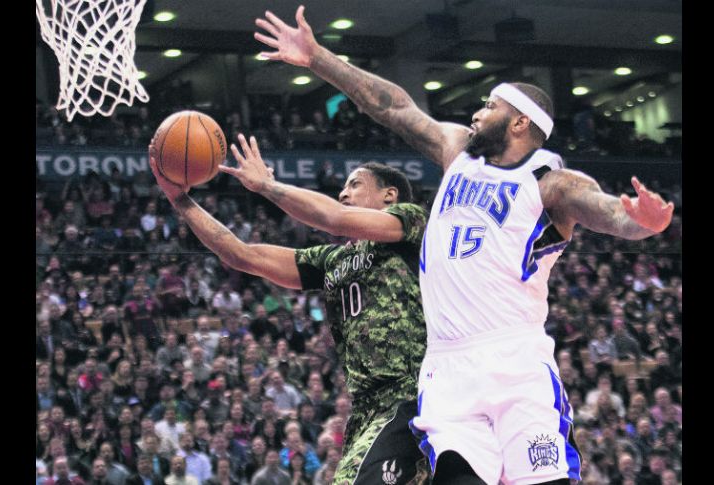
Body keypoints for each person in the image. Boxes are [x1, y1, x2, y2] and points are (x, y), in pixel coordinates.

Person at [253, 6, 674, 484]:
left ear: (519, 123)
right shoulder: (457, 154)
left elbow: (609, 212)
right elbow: (393, 107)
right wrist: (318, 58)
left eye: (490, 107)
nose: (476, 113)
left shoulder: (551, 182)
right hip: (447, 364)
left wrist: (643, 222)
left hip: (516, 361)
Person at [149, 129, 430, 485]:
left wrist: (267, 186)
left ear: (389, 195)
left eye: (355, 184)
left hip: (409, 392)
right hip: (365, 406)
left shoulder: (410, 223)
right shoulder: (331, 260)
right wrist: (180, 200)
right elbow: (241, 254)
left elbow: (333, 218)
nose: (343, 193)